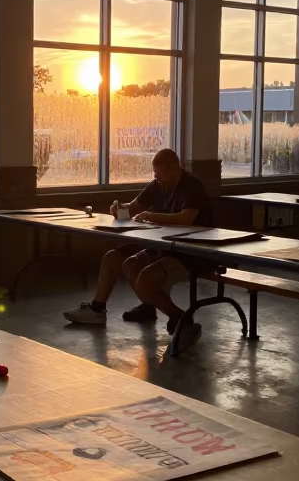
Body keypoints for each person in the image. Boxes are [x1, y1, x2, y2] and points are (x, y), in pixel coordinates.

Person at [63, 149, 211, 351]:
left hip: (190, 252)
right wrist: (119, 209)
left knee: (145, 279)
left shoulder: (192, 185)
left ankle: (182, 320)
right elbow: (132, 208)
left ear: (175, 169)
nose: (156, 178)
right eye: (154, 174)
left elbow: (186, 218)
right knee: (116, 259)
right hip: (162, 246)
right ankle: (99, 309)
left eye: (159, 174)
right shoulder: (158, 184)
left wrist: (151, 215)